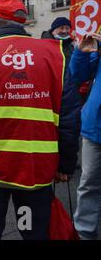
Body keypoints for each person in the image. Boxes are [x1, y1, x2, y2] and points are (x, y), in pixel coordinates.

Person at [0, 0, 81, 240]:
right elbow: (69, 117)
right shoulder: (55, 56)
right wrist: (66, 164)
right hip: (34, 170)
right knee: (30, 230)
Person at [71, 32, 101, 240]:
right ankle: (84, 233)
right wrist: (81, 52)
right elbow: (77, 76)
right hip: (95, 127)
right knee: (89, 182)